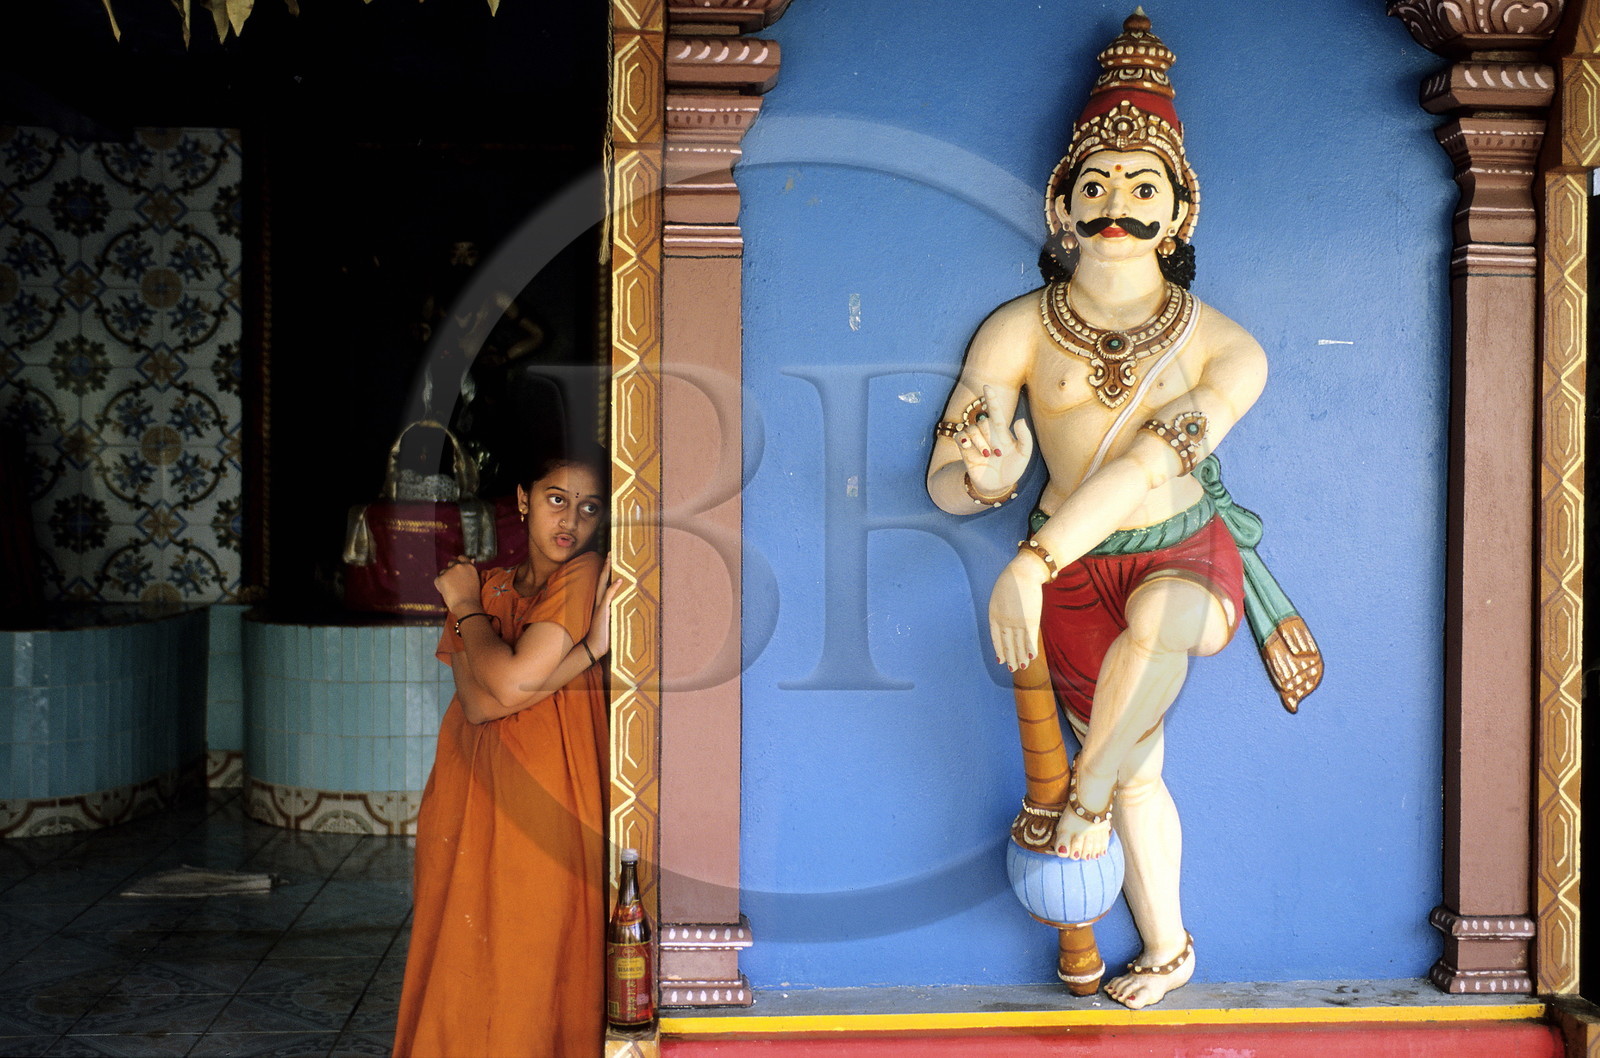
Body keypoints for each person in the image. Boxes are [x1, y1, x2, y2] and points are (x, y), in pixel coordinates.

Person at [927, 11, 1321, 1009]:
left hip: (1179, 552)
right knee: (1141, 766)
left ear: (1180, 213)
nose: (1117, 204)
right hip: (1065, 582)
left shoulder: (1226, 350)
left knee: (1152, 647)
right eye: (1094, 185)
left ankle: (1087, 807)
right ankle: (1168, 943)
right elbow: (944, 469)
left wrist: (1032, 555)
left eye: (1143, 186)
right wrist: (984, 475)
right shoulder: (1014, 331)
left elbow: (1152, 465)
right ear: (1060, 205)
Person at [393, 444, 618, 1057]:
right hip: (469, 787)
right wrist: (584, 652)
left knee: (530, 952)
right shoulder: (493, 586)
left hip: (545, 788)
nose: (571, 521)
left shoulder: (582, 574)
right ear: (524, 499)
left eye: (589, 507)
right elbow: (481, 705)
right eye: (556, 500)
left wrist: (464, 608)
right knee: (465, 948)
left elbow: (511, 683)